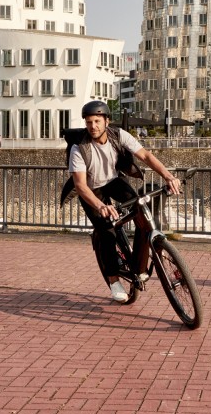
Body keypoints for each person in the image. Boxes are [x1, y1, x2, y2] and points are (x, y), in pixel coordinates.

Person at [68, 100, 181, 303]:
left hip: (113, 181)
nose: (92, 126)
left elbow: (145, 155)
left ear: (106, 121)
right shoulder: (79, 148)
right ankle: (114, 280)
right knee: (107, 232)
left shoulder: (118, 135)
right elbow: (81, 186)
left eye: (96, 121)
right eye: (88, 122)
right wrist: (100, 205)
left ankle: (139, 266)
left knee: (141, 210)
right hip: (92, 191)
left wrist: (168, 176)